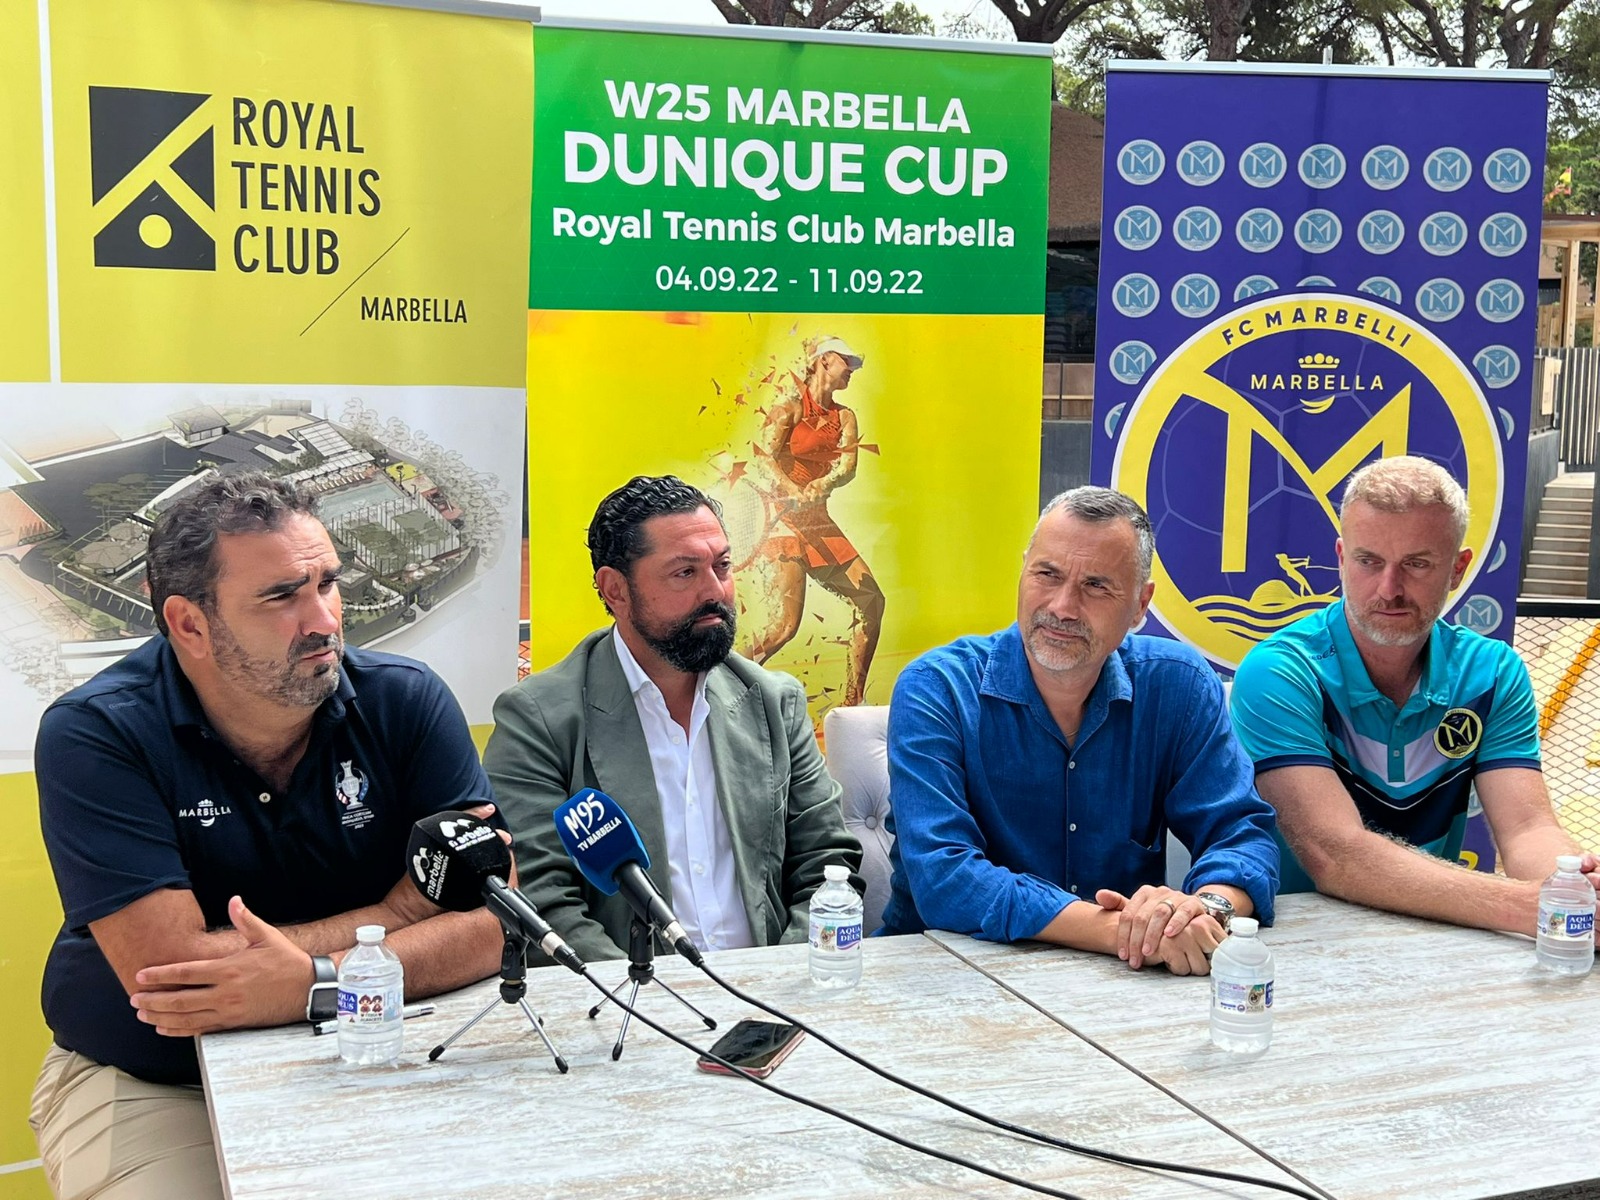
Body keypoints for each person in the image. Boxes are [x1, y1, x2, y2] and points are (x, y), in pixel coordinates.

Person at [31, 471, 506, 1200]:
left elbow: (495, 919)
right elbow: (174, 975)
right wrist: (398, 915)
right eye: (282, 596)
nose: (324, 620)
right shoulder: (97, 732)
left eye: (328, 583)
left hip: (392, 1038)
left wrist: (316, 982)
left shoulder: (406, 699)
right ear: (190, 624)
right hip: (162, 1080)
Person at [882, 487, 1279, 975]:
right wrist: (1122, 931)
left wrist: (1204, 909)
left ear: (1140, 604)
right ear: (1023, 571)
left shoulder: (1178, 684)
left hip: (1125, 984)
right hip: (939, 977)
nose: (1063, 606)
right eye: (1047, 575)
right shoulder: (936, 688)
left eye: (1096, 586)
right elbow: (945, 879)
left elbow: (1241, 834)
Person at [484, 474, 862, 963]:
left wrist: (784, 979)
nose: (716, 591)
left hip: (771, 987)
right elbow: (543, 903)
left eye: (722, 566)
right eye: (685, 572)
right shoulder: (539, 719)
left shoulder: (773, 701)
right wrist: (654, 997)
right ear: (616, 590)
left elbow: (827, 865)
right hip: (630, 995)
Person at [1231, 455, 1600, 929]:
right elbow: (1333, 854)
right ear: (1341, 558)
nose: (1389, 589)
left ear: (1458, 569)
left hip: (1439, 930)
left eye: (1417, 564)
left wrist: (1573, 885)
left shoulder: (1492, 671)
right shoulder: (1282, 670)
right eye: (1368, 561)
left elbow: (1528, 828)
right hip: (1299, 939)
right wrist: (1526, 906)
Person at [745, 336, 885, 707]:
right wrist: (791, 488)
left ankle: (852, 705)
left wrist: (824, 483)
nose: (852, 370)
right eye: (846, 362)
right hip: (783, 524)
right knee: (784, 628)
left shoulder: (846, 417)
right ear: (824, 361)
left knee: (872, 602)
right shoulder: (788, 408)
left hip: (818, 523)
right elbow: (763, 458)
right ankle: (717, 679)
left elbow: (848, 468)